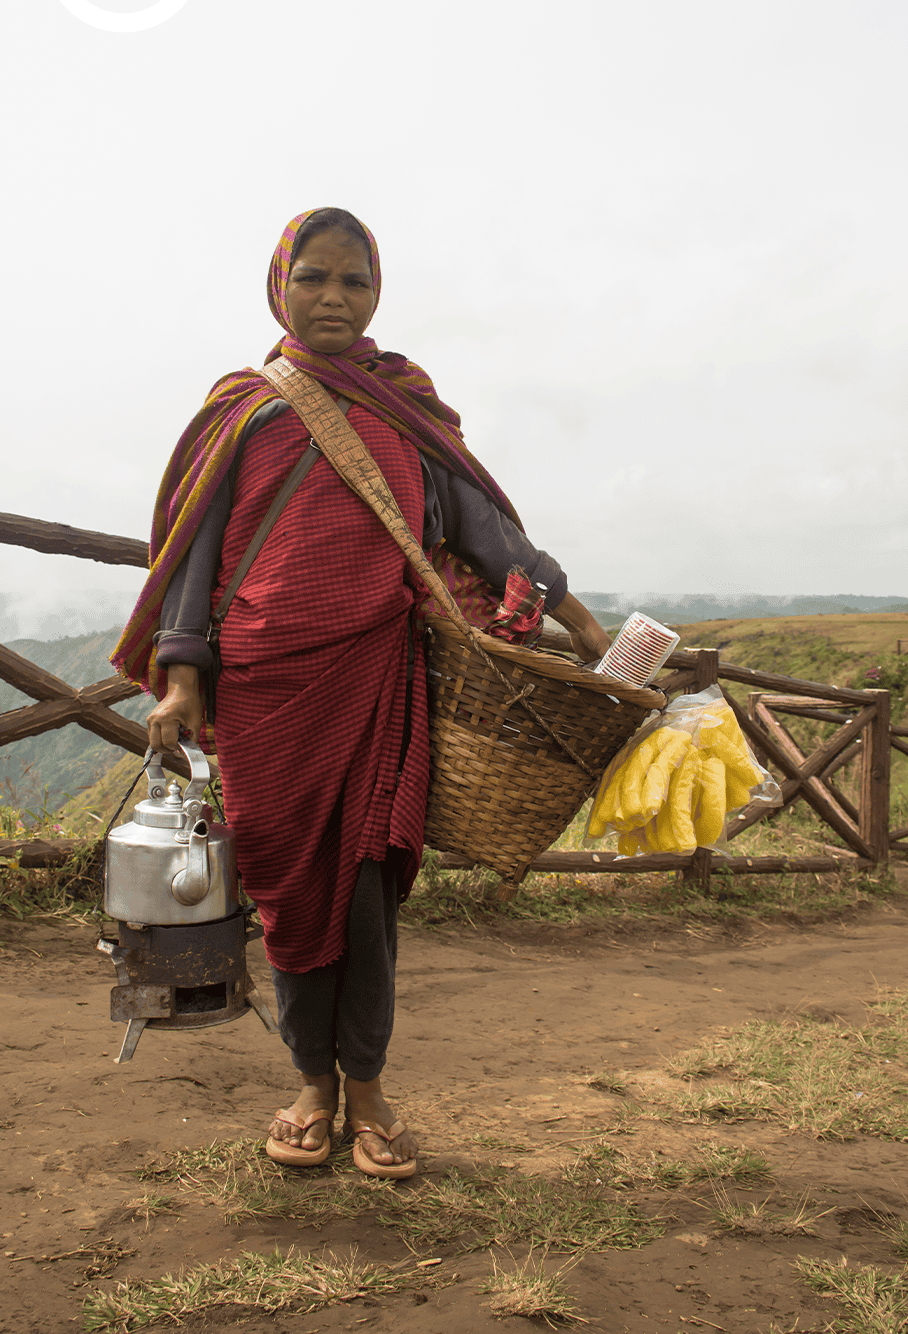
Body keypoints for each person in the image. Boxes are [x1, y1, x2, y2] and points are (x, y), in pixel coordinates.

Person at [113, 208, 611, 1177]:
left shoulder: (402, 408)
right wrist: (180, 682)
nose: (335, 299)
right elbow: (193, 561)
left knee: (371, 885)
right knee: (288, 891)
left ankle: (368, 1085)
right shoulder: (242, 410)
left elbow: (484, 530)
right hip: (262, 689)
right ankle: (309, 1082)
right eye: (314, 279)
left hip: (379, 676)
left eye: (355, 282)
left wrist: (581, 620)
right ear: (278, 286)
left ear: (377, 294)